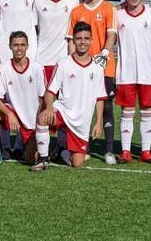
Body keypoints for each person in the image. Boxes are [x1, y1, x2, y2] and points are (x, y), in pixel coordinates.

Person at [36, 21, 108, 169]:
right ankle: (43, 159)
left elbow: (100, 98)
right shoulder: (63, 64)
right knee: (43, 117)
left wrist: (99, 122)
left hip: (81, 123)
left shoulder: (98, 68)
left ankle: (62, 151)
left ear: (91, 41)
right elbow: (50, 92)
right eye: (79, 38)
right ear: (73, 40)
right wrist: (49, 107)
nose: (83, 42)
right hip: (63, 111)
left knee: (77, 164)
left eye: (86, 38)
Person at [66, 0, 118, 164]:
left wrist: (104, 53)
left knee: (106, 106)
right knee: (81, 106)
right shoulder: (76, 11)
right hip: (81, 67)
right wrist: (72, 61)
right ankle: (82, 146)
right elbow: (71, 39)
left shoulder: (108, 9)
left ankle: (109, 150)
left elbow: (111, 34)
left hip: (104, 66)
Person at [35, 0, 80, 161]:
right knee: (42, 106)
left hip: (63, 62)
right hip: (42, 61)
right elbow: (32, 28)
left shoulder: (73, 1)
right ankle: (38, 146)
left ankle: (62, 146)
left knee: (64, 104)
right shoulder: (38, 2)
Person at [114, 0, 151, 164]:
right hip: (126, 73)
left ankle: (146, 151)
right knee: (127, 112)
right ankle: (125, 151)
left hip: (148, 73)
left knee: (147, 111)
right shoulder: (118, 15)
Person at [0, 31, 46, 168]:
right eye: (16, 45)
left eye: (22, 45)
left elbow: (43, 98)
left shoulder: (37, 68)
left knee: (30, 159)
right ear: (10, 46)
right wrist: (9, 114)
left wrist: (38, 122)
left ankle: (34, 147)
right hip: (14, 113)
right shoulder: (3, 69)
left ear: (27, 46)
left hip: (31, 122)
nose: (19, 48)